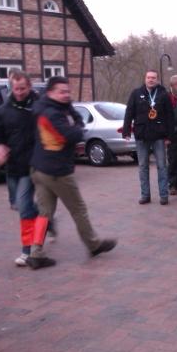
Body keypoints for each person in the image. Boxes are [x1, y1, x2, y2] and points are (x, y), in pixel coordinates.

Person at [28, 76, 116, 269]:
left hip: (40, 168)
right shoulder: (52, 113)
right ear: (50, 92)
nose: (66, 95)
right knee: (78, 209)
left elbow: (75, 119)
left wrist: (74, 119)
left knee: (44, 213)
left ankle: (35, 253)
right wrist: (77, 126)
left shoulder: (53, 107)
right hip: (56, 171)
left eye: (67, 91)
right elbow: (70, 135)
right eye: (62, 92)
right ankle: (93, 244)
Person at [0, 70, 40, 267]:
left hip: (32, 165)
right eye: (16, 89)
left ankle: (27, 250)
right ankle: (46, 220)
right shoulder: (2, 110)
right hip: (12, 166)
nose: (19, 92)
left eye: (22, 88)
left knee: (23, 207)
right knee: (18, 204)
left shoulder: (39, 106)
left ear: (29, 86)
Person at [123, 70, 173, 205]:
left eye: (153, 78)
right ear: (145, 79)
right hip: (142, 134)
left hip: (158, 135)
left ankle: (164, 195)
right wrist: (126, 130)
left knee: (162, 166)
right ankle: (145, 195)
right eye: (149, 77)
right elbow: (129, 112)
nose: (151, 80)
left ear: (157, 80)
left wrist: (169, 135)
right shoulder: (136, 93)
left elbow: (170, 116)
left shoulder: (163, 94)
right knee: (143, 166)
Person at [0, 67, 20, 210]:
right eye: (13, 77)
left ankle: (23, 198)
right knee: (11, 172)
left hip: (21, 136)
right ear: (9, 77)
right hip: (7, 136)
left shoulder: (23, 91)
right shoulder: (1, 92)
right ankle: (13, 200)